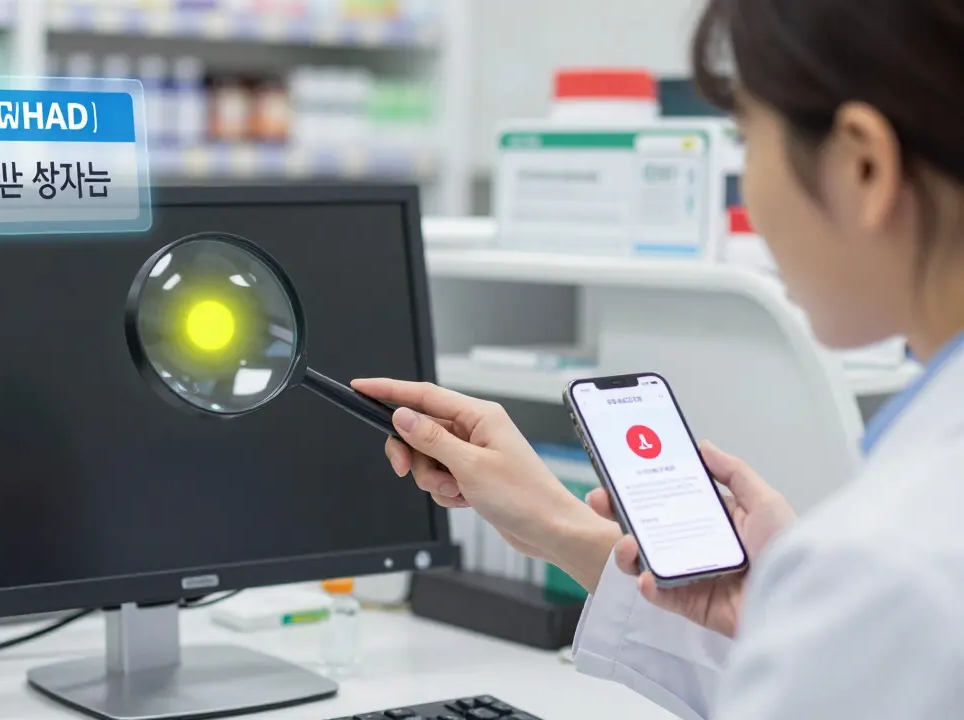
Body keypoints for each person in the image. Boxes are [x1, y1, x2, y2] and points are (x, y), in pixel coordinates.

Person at [354, 0, 964, 717]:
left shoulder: (887, 566)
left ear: (863, 164)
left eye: (744, 140)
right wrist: (558, 525)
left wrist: (816, 595)